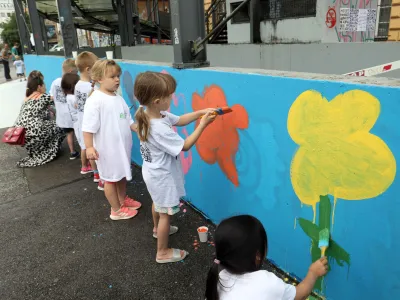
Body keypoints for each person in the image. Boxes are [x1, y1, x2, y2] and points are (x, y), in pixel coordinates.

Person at [134, 71, 216, 263]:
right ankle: (162, 252)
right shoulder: (158, 127)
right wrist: (202, 125)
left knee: (158, 204)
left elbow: (179, 120)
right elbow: (185, 146)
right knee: (165, 214)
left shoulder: (151, 114)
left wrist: (200, 113)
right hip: (161, 177)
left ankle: (157, 230)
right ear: (156, 100)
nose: (172, 96)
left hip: (153, 173)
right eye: (169, 95)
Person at [205, 215, 329, 300]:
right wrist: (313, 272)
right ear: (258, 255)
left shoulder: (219, 277)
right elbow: (300, 295)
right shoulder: (266, 282)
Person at [82, 59, 142, 220]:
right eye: (112, 76)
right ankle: (116, 210)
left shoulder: (118, 98)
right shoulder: (95, 100)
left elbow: (128, 120)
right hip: (106, 150)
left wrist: (139, 129)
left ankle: (122, 200)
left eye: (118, 76)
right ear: (99, 78)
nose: (117, 79)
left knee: (121, 176)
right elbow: (87, 128)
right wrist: (89, 147)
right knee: (110, 179)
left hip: (121, 149)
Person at [14, 71, 65, 167]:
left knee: (45, 124)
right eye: (44, 85)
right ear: (39, 87)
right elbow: (59, 103)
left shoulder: (27, 98)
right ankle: (49, 151)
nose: (45, 87)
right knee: (60, 126)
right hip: (34, 130)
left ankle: (39, 152)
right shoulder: (43, 97)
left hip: (21, 133)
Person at [75, 51, 102, 189]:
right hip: (92, 124)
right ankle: (100, 175)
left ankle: (96, 174)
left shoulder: (78, 85)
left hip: (81, 123)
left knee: (87, 147)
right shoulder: (91, 88)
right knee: (95, 149)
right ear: (88, 69)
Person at [49, 58, 79, 160]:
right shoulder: (73, 82)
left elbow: (51, 96)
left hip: (61, 115)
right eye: (76, 72)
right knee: (78, 132)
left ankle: (72, 152)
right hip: (72, 114)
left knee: (69, 133)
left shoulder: (55, 81)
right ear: (71, 72)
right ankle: (84, 149)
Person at [61, 73, 80, 159]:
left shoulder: (66, 96)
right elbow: (78, 106)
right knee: (81, 138)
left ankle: (72, 152)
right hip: (76, 120)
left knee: (70, 134)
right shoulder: (73, 97)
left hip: (68, 119)